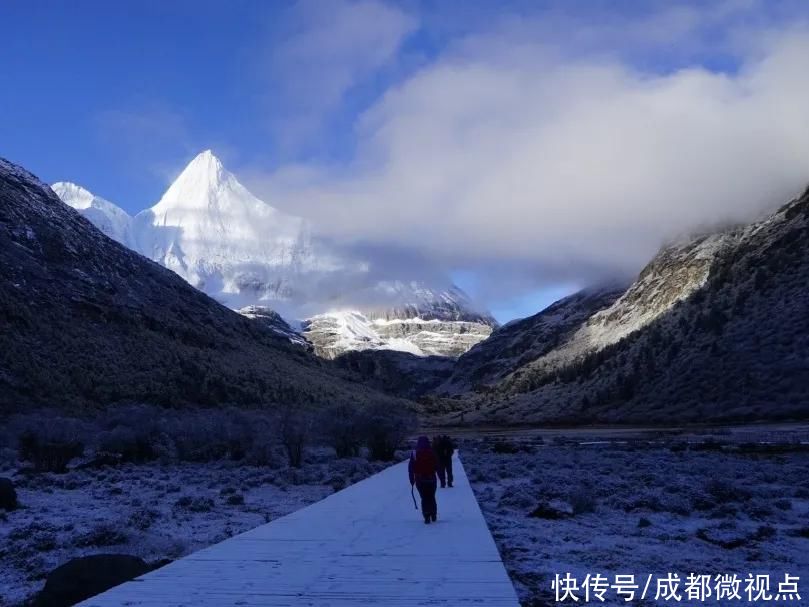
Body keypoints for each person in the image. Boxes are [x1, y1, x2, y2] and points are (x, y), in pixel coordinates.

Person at [408, 436, 438, 524]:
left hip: (419, 479)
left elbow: (411, 468)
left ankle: (426, 516)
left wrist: (411, 479)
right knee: (432, 496)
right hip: (432, 478)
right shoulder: (432, 452)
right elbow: (437, 465)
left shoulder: (414, 453)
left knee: (424, 498)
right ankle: (434, 514)